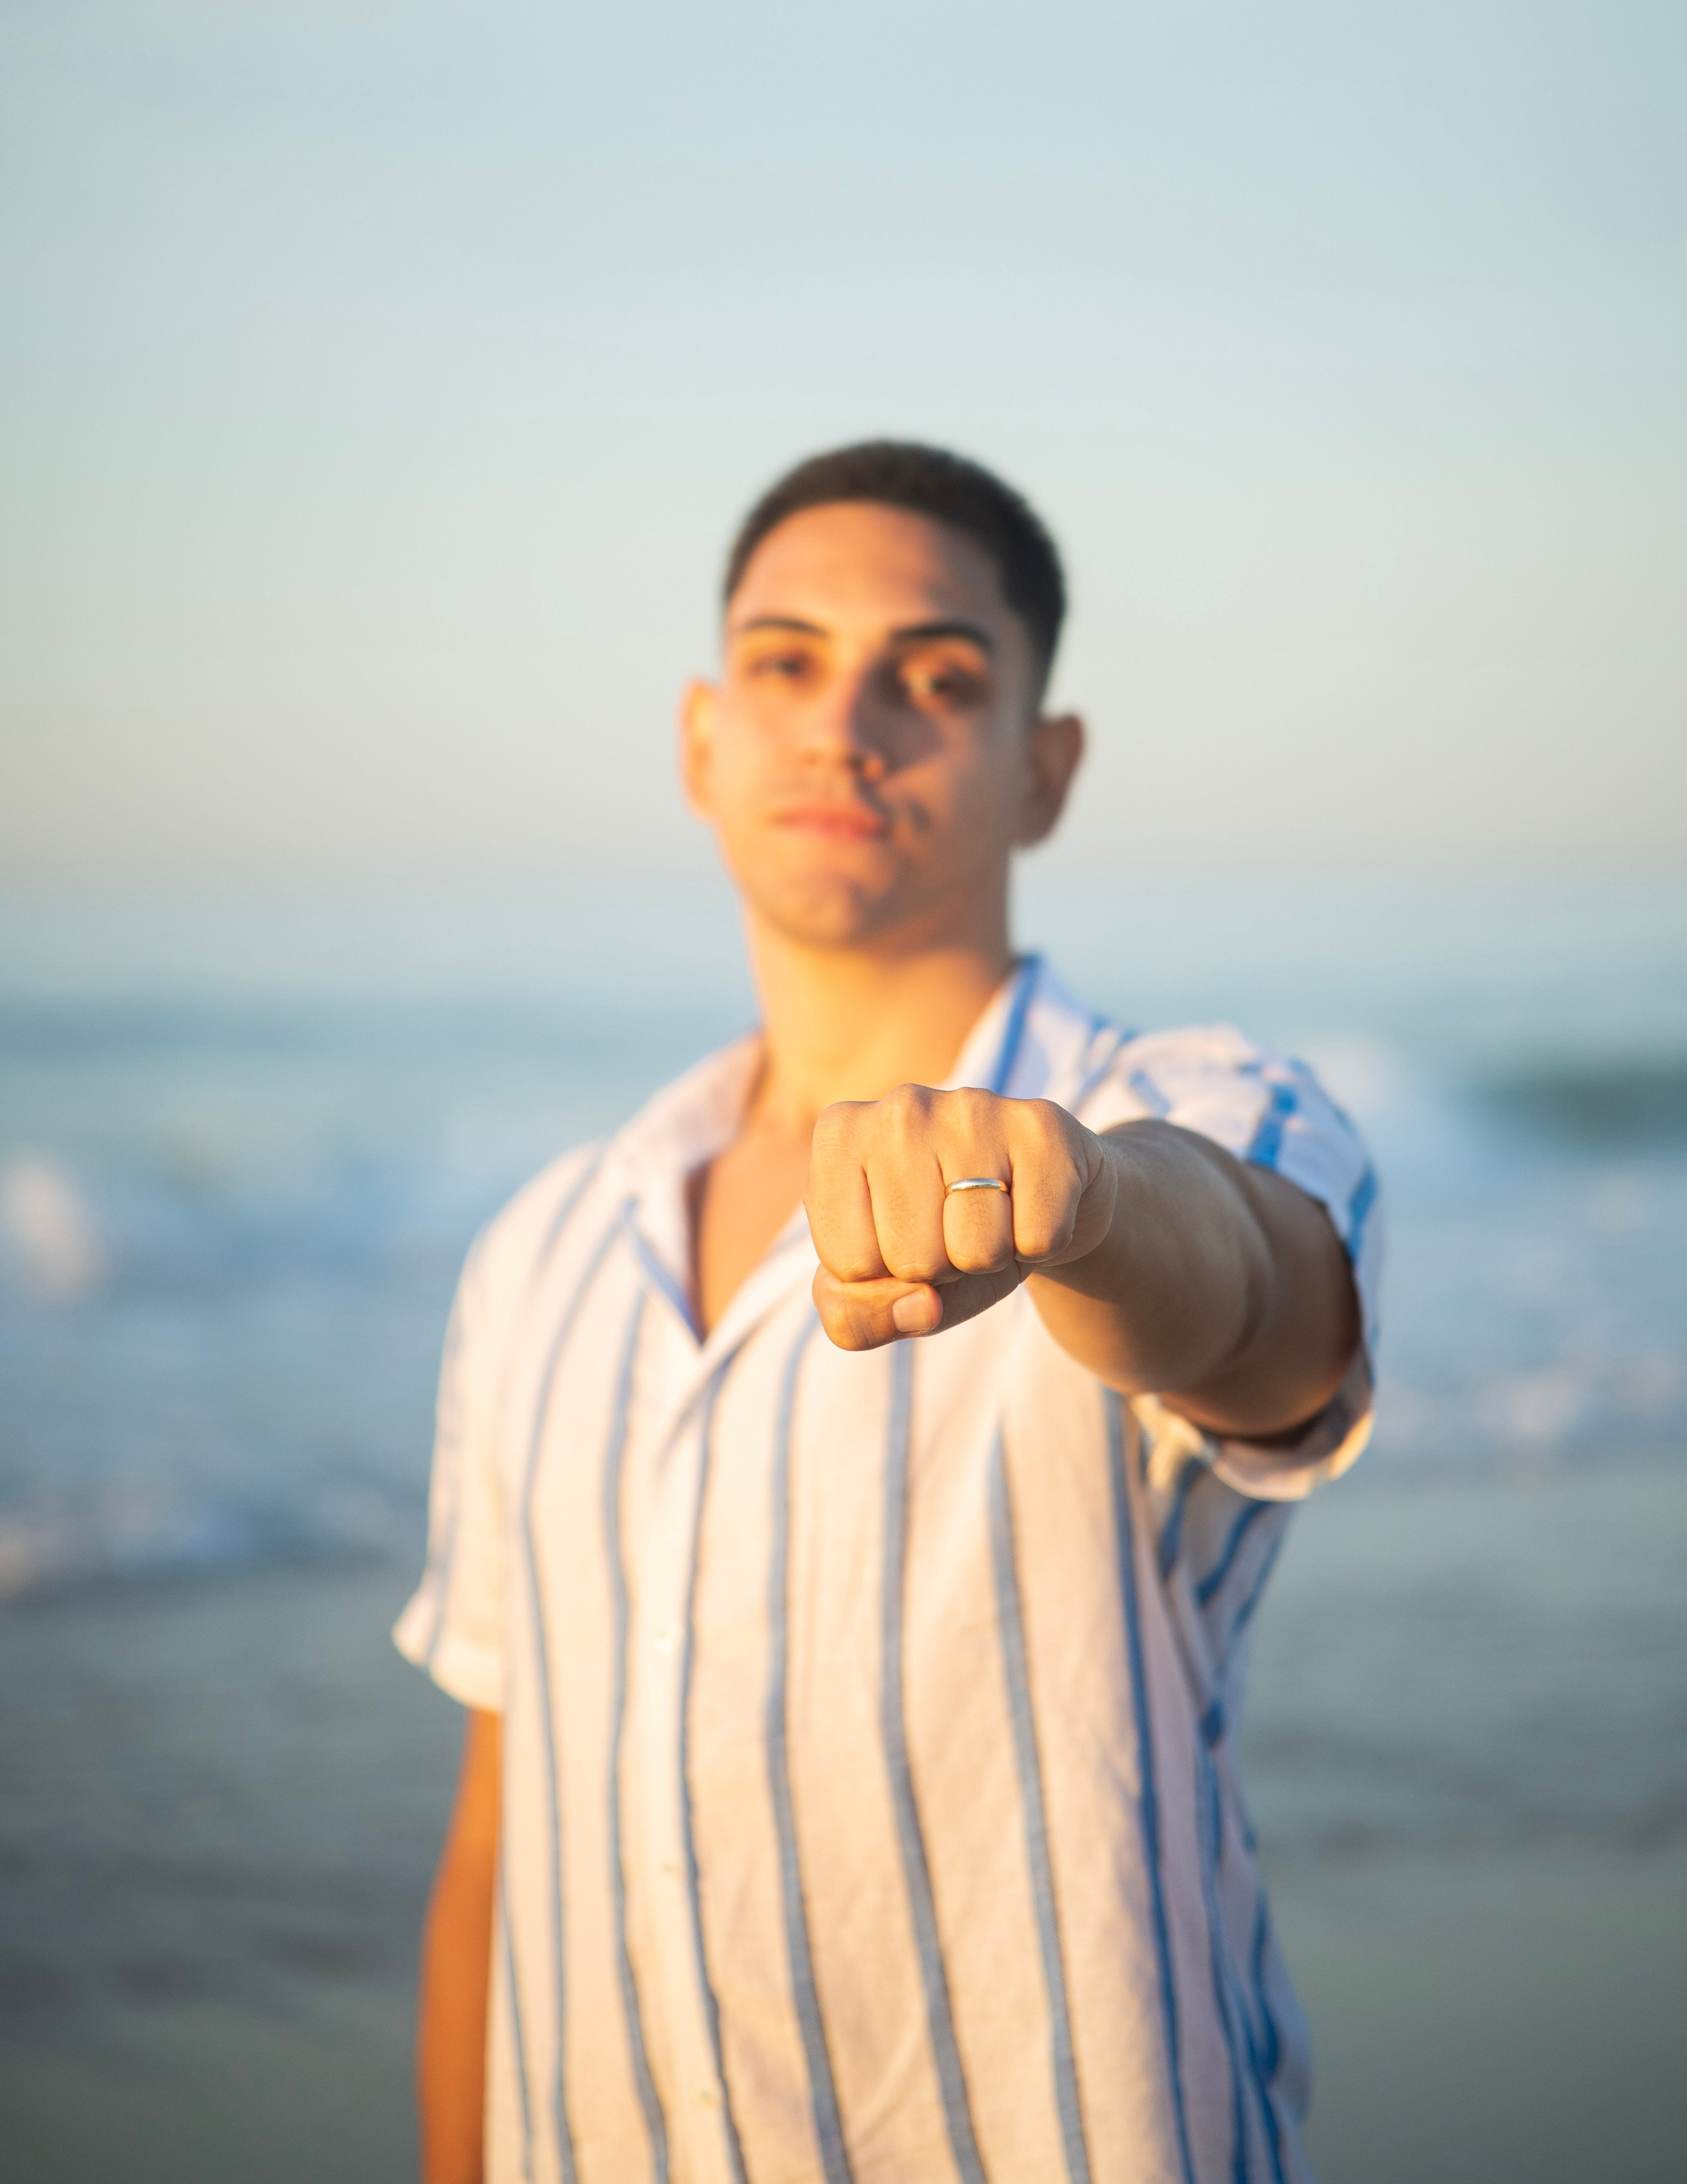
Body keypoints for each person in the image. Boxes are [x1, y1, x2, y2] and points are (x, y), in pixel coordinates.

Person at [395, 440, 1381, 2184]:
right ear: (702, 741)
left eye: (935, 679)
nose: (847, 725)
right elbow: (499, 1843)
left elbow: (1250, 1296)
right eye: (787, 664)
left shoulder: (1196, 1111)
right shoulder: (539, 1254)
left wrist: (1081, 1201)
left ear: (1044, 770)